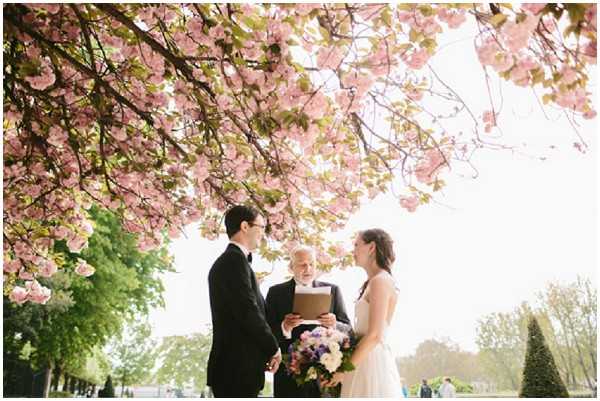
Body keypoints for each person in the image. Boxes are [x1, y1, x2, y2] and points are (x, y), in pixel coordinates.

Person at [207, 205, 281, 397]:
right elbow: (247, 311)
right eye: (261, 227)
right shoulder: (233, 261)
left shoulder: (235, 261)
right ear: (245, 226)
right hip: (235, 370)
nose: (263, 234)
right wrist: (273, 347)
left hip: (238, 370)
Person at [323, 228, 404, 397]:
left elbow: (375, 334)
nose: (353, 251)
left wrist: (344, 370)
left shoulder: (380, 281)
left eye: (356, 245)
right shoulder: (372, 282)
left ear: (371, 247)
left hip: (371, 362)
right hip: (362, 358)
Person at [265, 245, 352, 397]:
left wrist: (334, 324)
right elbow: (266, 334)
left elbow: (349, 330)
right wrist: (284, 327)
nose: (308, 269)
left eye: (312, 264)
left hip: (325, 375)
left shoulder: (333, 290)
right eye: (302, 264)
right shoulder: (276, 293)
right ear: (291, 267)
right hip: (289, 377)